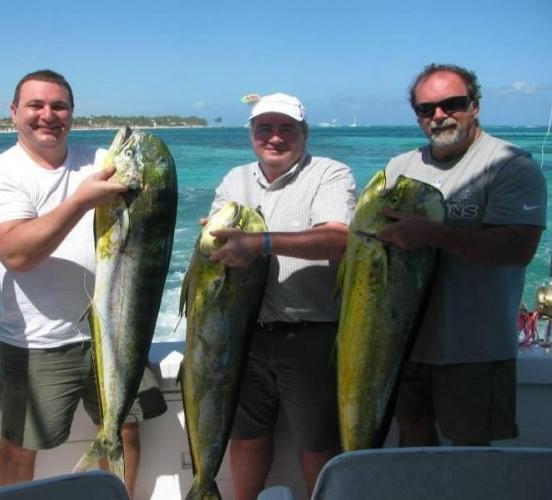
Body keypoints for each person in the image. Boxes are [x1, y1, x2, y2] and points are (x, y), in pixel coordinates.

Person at [0, 69, 165, 497]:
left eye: (59, 106)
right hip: (39, 341)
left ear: (72, 113)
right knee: (22, 445)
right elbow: (17, 254)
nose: (48, 115)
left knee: (125, 428)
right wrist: (80, 201)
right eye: (35, 105)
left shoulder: (100, 161)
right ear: (14, 112)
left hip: (115, 331)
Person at [377, 63, 546, 447]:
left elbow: (518, 249)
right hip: (405, 341)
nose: (439, 115)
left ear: (475, 105)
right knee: (412, 437)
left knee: (470, 452)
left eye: (452, 103)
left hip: (474, 346)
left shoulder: (510, 165)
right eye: (426, 108)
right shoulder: (400, 167)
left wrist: (431, 233)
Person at [207, 93, 356, 498]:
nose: (275, 138)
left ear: (305, 134)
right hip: (244, 334)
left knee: (317, 441)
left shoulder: (330, 173)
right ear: (251, 134)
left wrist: (261, 243)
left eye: (287, 128)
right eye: (265, 129)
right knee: (246, 436)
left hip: (311, 334)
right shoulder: (234, 179)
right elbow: (216, 242)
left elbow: (337, 239)